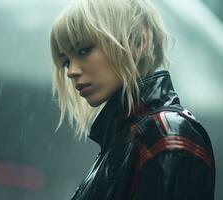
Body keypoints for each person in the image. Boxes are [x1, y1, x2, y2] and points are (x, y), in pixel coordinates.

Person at [49, 0, 216, 199]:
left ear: (137, 42)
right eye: (66, 61)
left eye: (84, 50)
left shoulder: (165, 136)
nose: (71, 71)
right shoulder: (128, 138)